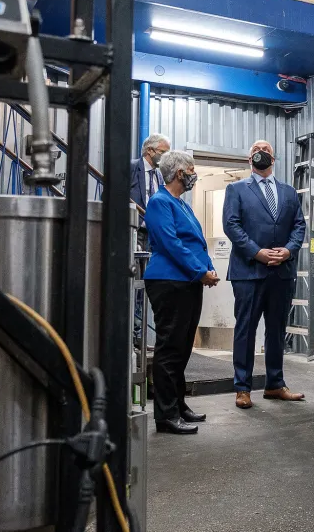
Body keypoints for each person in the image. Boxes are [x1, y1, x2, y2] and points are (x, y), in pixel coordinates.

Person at [223, 140, 307, 409]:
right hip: (248, 272)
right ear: (250, 159)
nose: (262, 154)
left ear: (274, 157)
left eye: (267, 150)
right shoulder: (236, 189)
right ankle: (242, 388)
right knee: (245, 330)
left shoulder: (289, 192)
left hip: (281, 272)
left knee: (276, 330)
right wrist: (256, 252)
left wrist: (289, 250)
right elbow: (231, 225)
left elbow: (299, 225)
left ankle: (274, 384)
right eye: (256, 151)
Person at [144, 150, 220, 434]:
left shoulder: (182, 204)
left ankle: (178, 405)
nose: (193, 173)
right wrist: (200, 272)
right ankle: (165, 416)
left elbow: (197, 242)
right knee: (170, 348)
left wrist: (208, 269)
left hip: (187, 282)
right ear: (179, 173)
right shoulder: (159, 202)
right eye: (191, 169)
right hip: (168, 282)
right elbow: (170, 244)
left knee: (183, 347)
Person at [131, 133, 171, 349]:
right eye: (163, 153)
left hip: (153, 237)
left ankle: (139, 336)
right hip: (134, 233)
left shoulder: (159, 176)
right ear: (150, 151)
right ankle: (132, 337)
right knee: (133, 285)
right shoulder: (131, 168)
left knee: (146, 286)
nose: (165, 157)